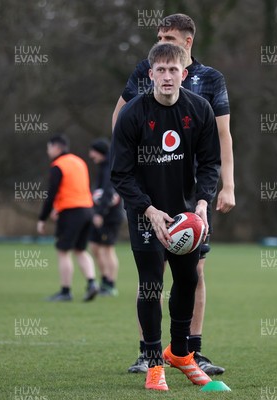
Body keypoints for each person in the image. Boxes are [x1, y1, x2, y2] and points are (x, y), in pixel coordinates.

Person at [112, 12, 234, 375]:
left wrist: (204, 201)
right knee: (150, 282)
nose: (167, 74)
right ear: (150, 74)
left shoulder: (203, 102)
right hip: (147, 209)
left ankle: (184, 353)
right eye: (160, 69)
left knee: (190, 276)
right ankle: (150, 358)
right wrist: (145, 207)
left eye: (173, 69)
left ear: (185, 70)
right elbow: (121, 167)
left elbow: (213, 156)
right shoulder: (135, 108)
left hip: (186, 206)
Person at [37, 135, 98, 302]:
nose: (48, 151)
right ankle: (92, 283)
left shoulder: (58, 165)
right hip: (87, 210)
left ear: (56, 148)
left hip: (71, 212)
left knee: (63, 251)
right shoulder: (79, 162)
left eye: (49, 147)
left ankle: (65, 291)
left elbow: (51, 194)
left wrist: (42, 218)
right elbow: (75, 188)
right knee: (80, 250)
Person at [88, 138, 123, 297]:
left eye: (93, 151)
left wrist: (100, 213)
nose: (90, 155)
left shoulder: (110, 166)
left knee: (108, 249)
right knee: (95, 247)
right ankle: (104, 280)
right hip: (101, 214)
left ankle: (110, 285)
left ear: (100, 152)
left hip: (110, 216)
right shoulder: (102, 167)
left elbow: (109, 193)